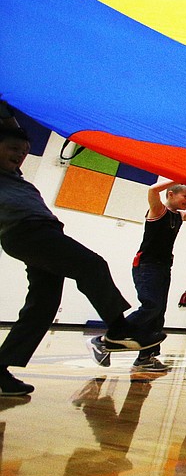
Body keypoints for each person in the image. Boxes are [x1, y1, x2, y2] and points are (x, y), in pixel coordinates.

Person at [0, 105, 164, 396]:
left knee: (43, 304)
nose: (19, 154)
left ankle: (1, 370)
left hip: (42, 234)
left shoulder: (15, 176)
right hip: (27, 233)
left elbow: (15, 135)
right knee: (92, 265)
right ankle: (117, 329)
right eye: (13, 148)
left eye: (24, 151)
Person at [92, 178, 186, 372]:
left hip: (163, 267)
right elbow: (152, 190)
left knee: (158, 314)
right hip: (147, 266)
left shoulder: (179, 216)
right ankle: (105, 340)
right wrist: (177, 177)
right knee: (152, 306)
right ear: (170, 194)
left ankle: (145, 357)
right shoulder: (158, 210)